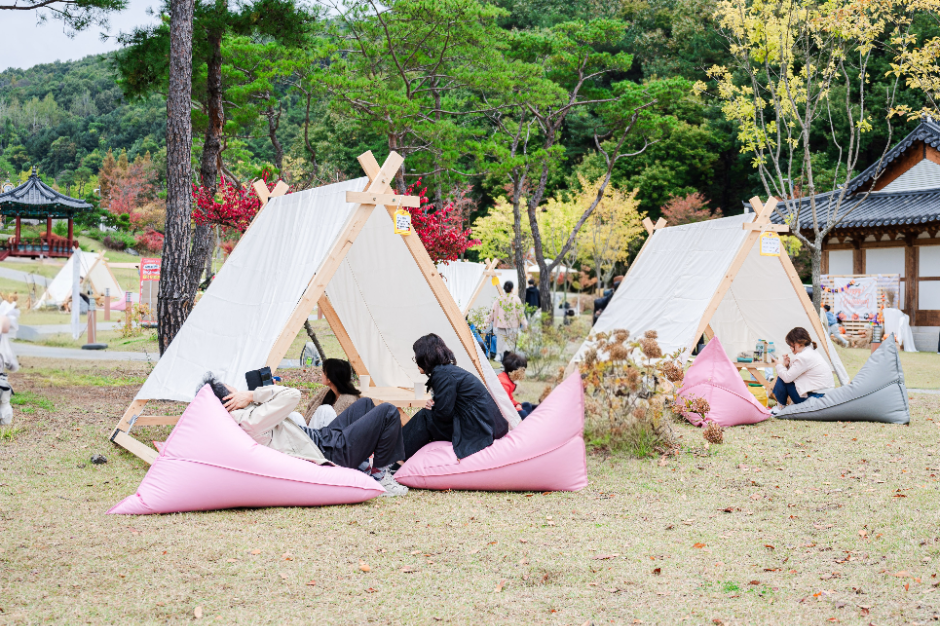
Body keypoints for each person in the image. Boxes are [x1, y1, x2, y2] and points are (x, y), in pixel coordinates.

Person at [200, 373, 408, 495]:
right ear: (229, 400)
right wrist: (252, 394)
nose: (240, 392)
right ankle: (380, 478)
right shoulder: (249, 421)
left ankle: (365, 465)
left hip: (318, 439)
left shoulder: (244, 418)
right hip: (328, 453)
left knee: (365, 404)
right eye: (235, 391)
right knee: (388, 411)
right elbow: (294, 395)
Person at [402, 334, 509, 460]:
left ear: (425, 356)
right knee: (427, 415)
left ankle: (396, 459)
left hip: (479, 429)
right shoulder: (447, 371)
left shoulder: (443, 374)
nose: (415, 360)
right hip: (484, 424)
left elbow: (443, 414)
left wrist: (434, 408)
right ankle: (396, 458)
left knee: (425, 416)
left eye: (416, 356)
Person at [770, 327, 833, 415]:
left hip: (815, 398)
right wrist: (787, 365)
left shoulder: (803, 357)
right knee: (784, 375)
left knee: (782, 377)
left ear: (797, 343)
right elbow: (795, 375)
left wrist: (779, 365)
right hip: (824, 396)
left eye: (790, 345)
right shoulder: (811, 351)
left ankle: (780, 408)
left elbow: (787, 378)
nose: (790, 348)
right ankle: (780, 406)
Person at [304, 359, 362, 429]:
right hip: (311, 430)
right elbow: (310, 407)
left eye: (323, 371)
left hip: (329, 436)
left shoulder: (349, 401)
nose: (321, 374)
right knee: (294, 416)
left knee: (325, 409)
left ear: (330, 378)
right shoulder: (327, 391)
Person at [488, 280, 527, 362]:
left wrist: (487, 321)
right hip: (512, 324)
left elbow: (493, 311)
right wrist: (525, 324)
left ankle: (499, 355)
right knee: (510, 343)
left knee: (500, 342)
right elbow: (520, 313)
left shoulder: (499, 299)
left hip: (501, 324)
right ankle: (508, 357)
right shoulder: (516, 299)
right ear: (512, 289)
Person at [497, 352, 537, 419]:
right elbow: (504, 406)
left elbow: (510, 398)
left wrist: (517, 404)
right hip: (504, 413)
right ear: (515, 372)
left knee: (527, 405)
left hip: (511, 407)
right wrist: (518, 409)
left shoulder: (508, 379)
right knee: (523, 413)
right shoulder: (503, 383)